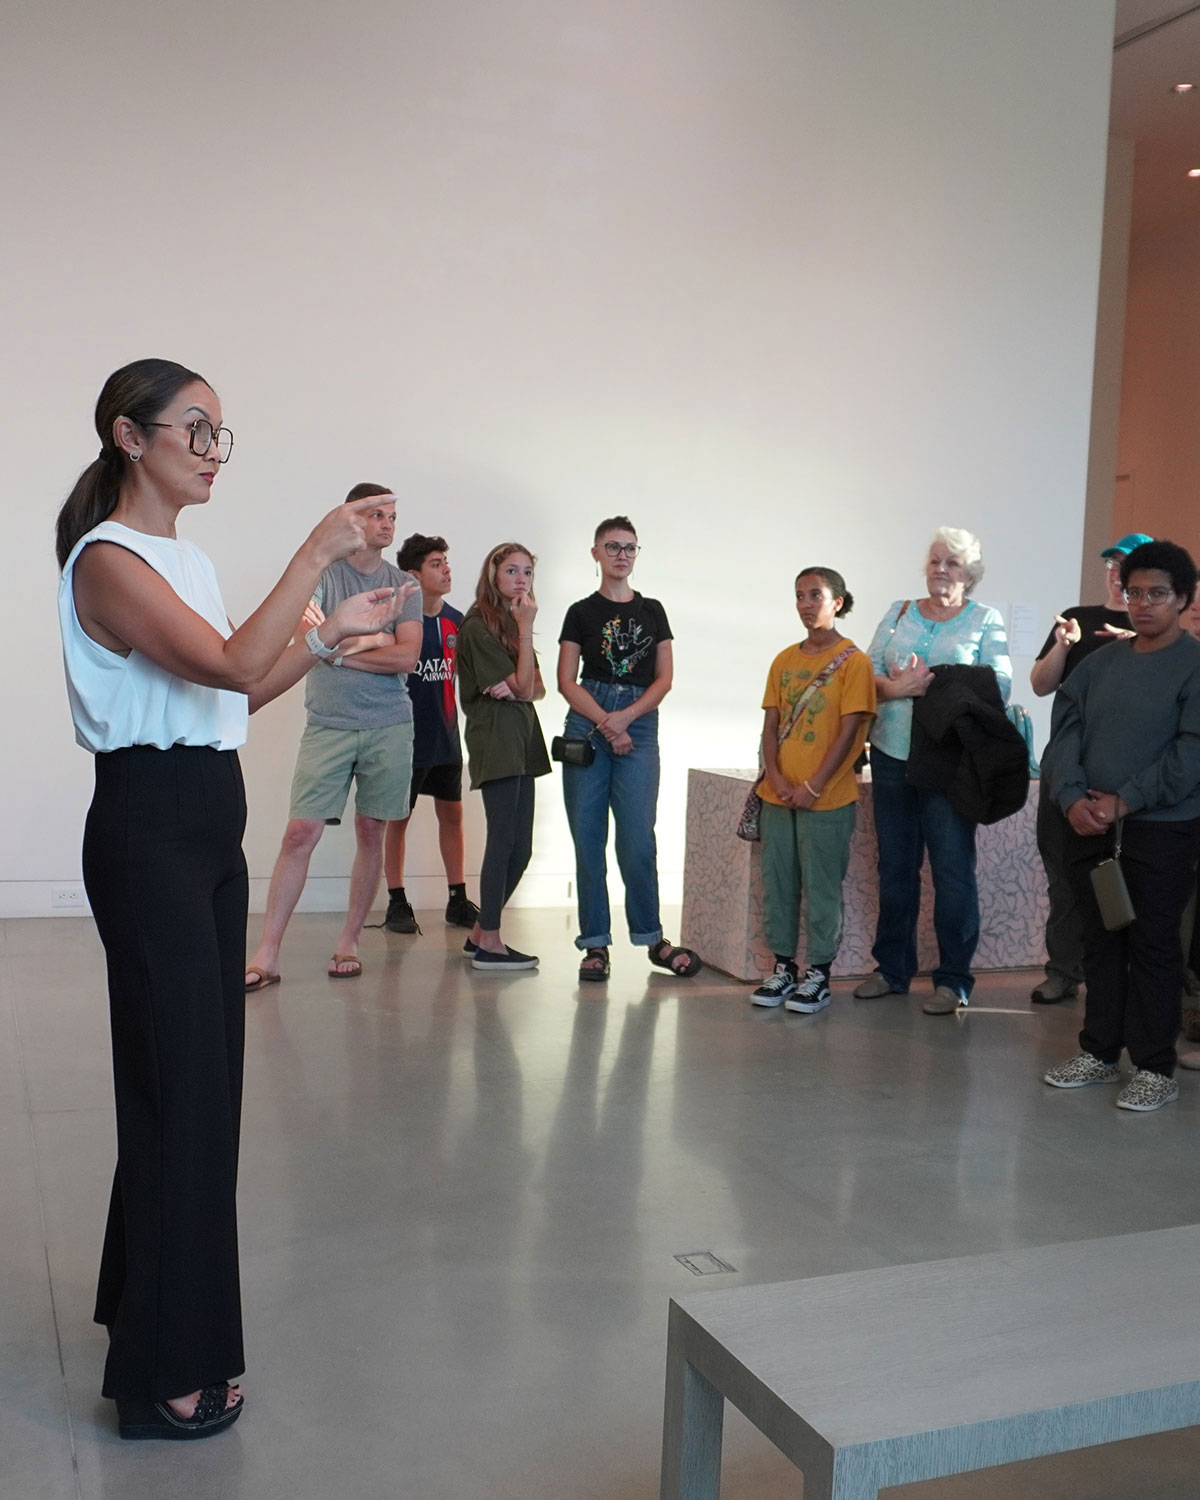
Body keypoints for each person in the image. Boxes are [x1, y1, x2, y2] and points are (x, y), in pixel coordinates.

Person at [56, 358, 401, 1439]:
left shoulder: (182, 559)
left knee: (200, 1095)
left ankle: (144, 1314)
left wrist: (330, 635)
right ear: (130, 436)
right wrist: (317, 553)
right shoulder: (107, 559)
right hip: (151, 828)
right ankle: (164, 1374)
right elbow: (219, 662)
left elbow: (241, 679)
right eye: (195, 431)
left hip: (206, 821)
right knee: (180, 1096)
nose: (211, 451)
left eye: (220, 435)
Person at [1041, 540, 1200, 1112]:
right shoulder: (1102, 663)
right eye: (1135, 592)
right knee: (1100, 941)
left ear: (1183, 598)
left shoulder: (1194, 665)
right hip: (1087, 826)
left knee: (1154, 944)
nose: (1143, 604)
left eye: (1157, 593)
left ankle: (1154, 1065)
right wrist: (1070, 797)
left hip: (1160, 830)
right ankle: (1100, 1052)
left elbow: (1191, 751)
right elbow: (1065, 732)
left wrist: (1125, 801)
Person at [244, 485, 421, 987]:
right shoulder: (323, 576)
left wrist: (341, 644)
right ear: (354, 520)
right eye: (377, 515)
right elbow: (308, 636)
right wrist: (372, 637)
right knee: (300, 833)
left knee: (372, 832)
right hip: (328, 723)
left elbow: (406, 657)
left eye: (392, 516)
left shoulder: (402, 582)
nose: (387, 524)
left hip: (389, 724)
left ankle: (349, 942)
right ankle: (268, 953)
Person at [856, 527, 1011, 1015]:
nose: (941, 570)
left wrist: (934, 685)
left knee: (952, 871)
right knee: (895, 867)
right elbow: (865, 673)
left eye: (953, 563)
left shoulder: (985, 619)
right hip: (890, 754)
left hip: (948, 762)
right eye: (935, 560)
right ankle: (892, 970)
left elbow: (998, 687)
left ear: (970, 574)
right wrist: (898, 689)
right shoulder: (899, 611)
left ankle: (953, 979)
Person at [556, 517, 702, 983]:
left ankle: (653, 938)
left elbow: (665, 679)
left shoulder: (653, 610)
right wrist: (605, 720)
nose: (622, 554)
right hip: (588, 720)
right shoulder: (579, 611)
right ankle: (595, 945)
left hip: (638, 723)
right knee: (588, 836)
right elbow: (565, 680)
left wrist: (626, 719)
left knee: (638, 837)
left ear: (637, 554)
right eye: (612, 546)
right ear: (595, 552)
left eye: (630, 548)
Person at [1027, 533, 1148, 1005]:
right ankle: (1062, 971)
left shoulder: (1156, 633)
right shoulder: (1077, 619)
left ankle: (1119, 975)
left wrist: (1135, 643)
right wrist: (1061, 645)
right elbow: (1040, 685)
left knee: (1125, 879)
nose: (1119, 574)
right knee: (1063, 876)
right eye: (1113, 565)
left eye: (1130, 566)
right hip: (1066, 769)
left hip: (1124, 776)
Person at [750, 568, 876, 1011]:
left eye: (816, 595)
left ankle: (818, 973)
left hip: (828, 800)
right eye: (800, 596)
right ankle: (783, 967)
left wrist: (814, 785)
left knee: (821, 886)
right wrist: (778, 779)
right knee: (779, 883)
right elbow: (770, 725)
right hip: (778, 797)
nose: (806, 604)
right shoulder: (784, 659)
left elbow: (850, 731)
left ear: (837, 601)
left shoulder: (853, 662)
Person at [456, 543, 552, 969]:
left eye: (527, 572)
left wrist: (519, 681)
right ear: (493, 573)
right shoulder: (479, 624)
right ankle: (490, 940)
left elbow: (536, 688)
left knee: (522, 847)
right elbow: (526, 684)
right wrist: (527, 634)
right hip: (496, 739)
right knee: (502, 841)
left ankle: (481, 930)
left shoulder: (511, 622)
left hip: (522, 738)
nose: (521, 579)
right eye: (512, 570)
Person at [380, 533, 478, 935]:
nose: (446, 569)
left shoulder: (459, 621)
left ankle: (457, 898)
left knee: (452, 814)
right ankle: (397, 901)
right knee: (398, 818)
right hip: (407, 737)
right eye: (436, 563)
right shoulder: (398, 619)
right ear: (413, 575)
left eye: (446, 562)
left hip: (447, 737)